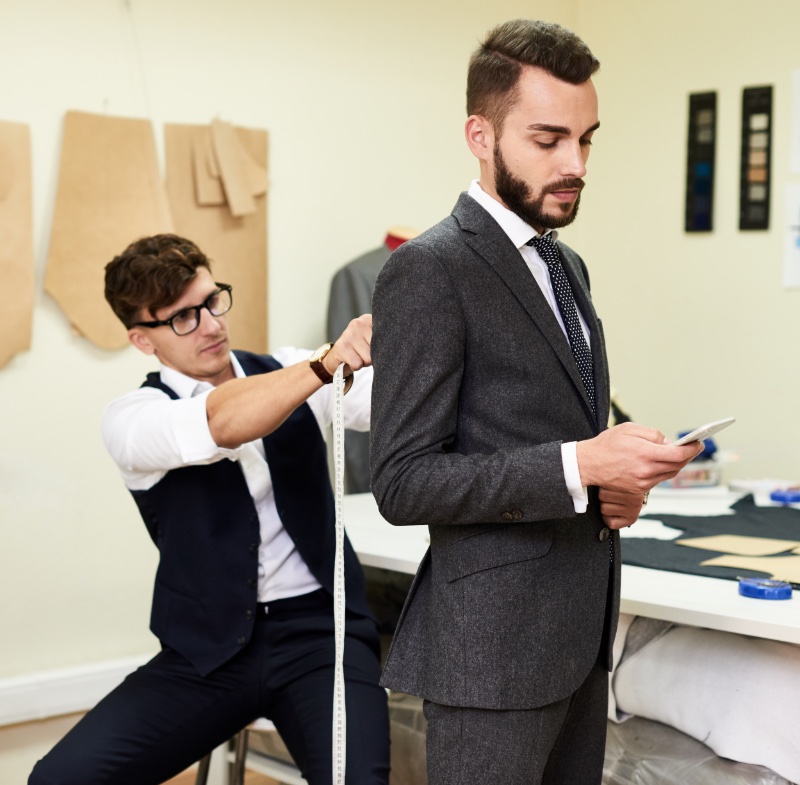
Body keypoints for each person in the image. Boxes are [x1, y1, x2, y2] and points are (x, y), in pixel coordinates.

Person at [369, 19, 703, 785]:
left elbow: (548, 434)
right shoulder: (428, 270)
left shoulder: (568, 264)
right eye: (549, 139)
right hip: (491, 655)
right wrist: (580, 462)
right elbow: (403, 480)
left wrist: (612, 480)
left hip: (580, 638)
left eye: (587, 140)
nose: (575, 163)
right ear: (479, 135)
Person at [29, 234, 390, 785]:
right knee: (60, 780)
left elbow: (397, 402)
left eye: (212, 301)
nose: (211, 325)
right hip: (207, 654)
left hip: (322, 637)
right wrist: (325, 365)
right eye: (182, 318)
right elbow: (219, 424)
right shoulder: (133, 420)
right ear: (142, 340)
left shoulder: (292, 370)